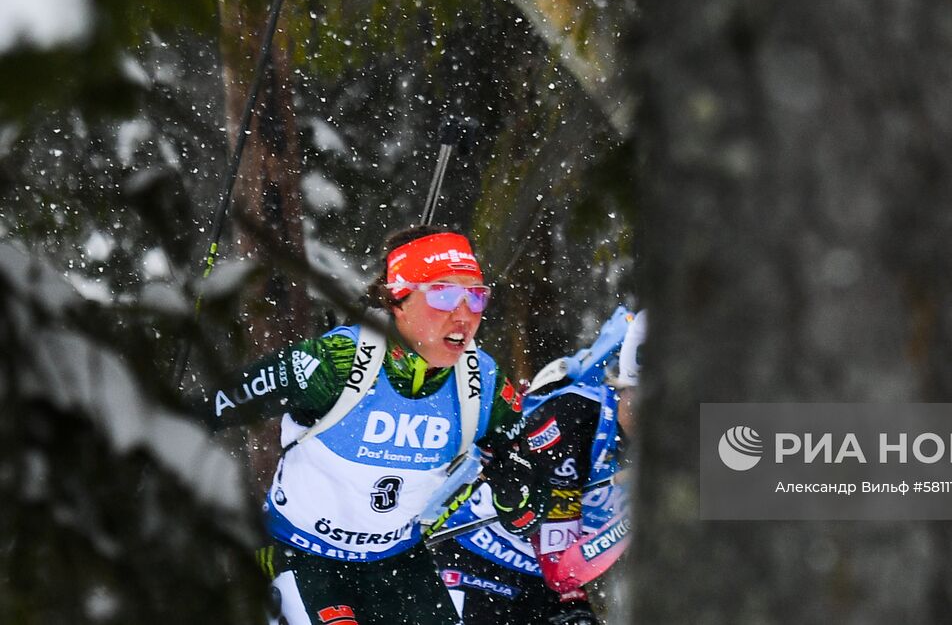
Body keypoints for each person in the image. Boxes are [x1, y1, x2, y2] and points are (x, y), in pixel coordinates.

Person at [201, 225, 546, 625]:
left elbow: (527, 512)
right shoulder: (339, 362)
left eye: (476, 296)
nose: (463, 313)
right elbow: (216, 405)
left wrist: (515, 488)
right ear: (399, 299)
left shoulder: (482, 384)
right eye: (444, 293)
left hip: (397, 564)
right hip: (303, 555)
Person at [431, 309, 645, 624]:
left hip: (547, 579)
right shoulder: (577, 422)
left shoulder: (717, 428)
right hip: (479, 560)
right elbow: (561, 569)